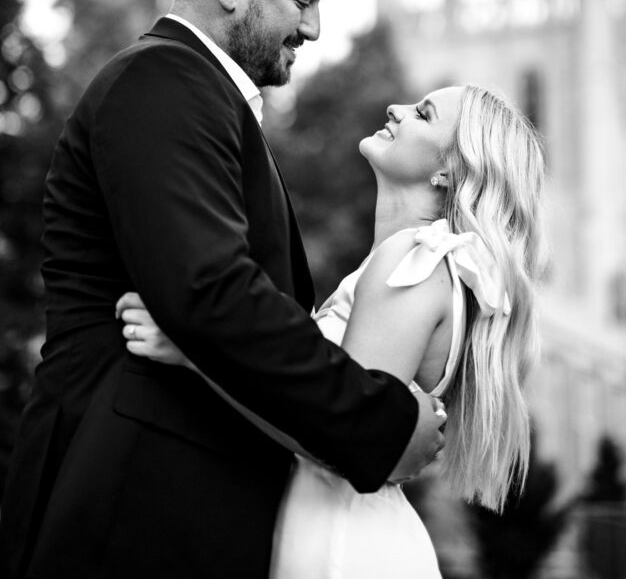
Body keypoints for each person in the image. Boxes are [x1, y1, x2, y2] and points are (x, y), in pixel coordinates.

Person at [0, 0, 446, 579]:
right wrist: (380, 425)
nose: (316, 28)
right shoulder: (162, 81)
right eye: (302, 1)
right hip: (129, 498)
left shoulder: (202, 99)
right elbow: (212, 291)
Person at [117, 82, 545, 578]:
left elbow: (338, 431)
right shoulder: (427, 266)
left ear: (448, 171)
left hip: (340, 543)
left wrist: (196, 352)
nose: (396, 108)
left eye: (423, 115)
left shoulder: (415, 260)